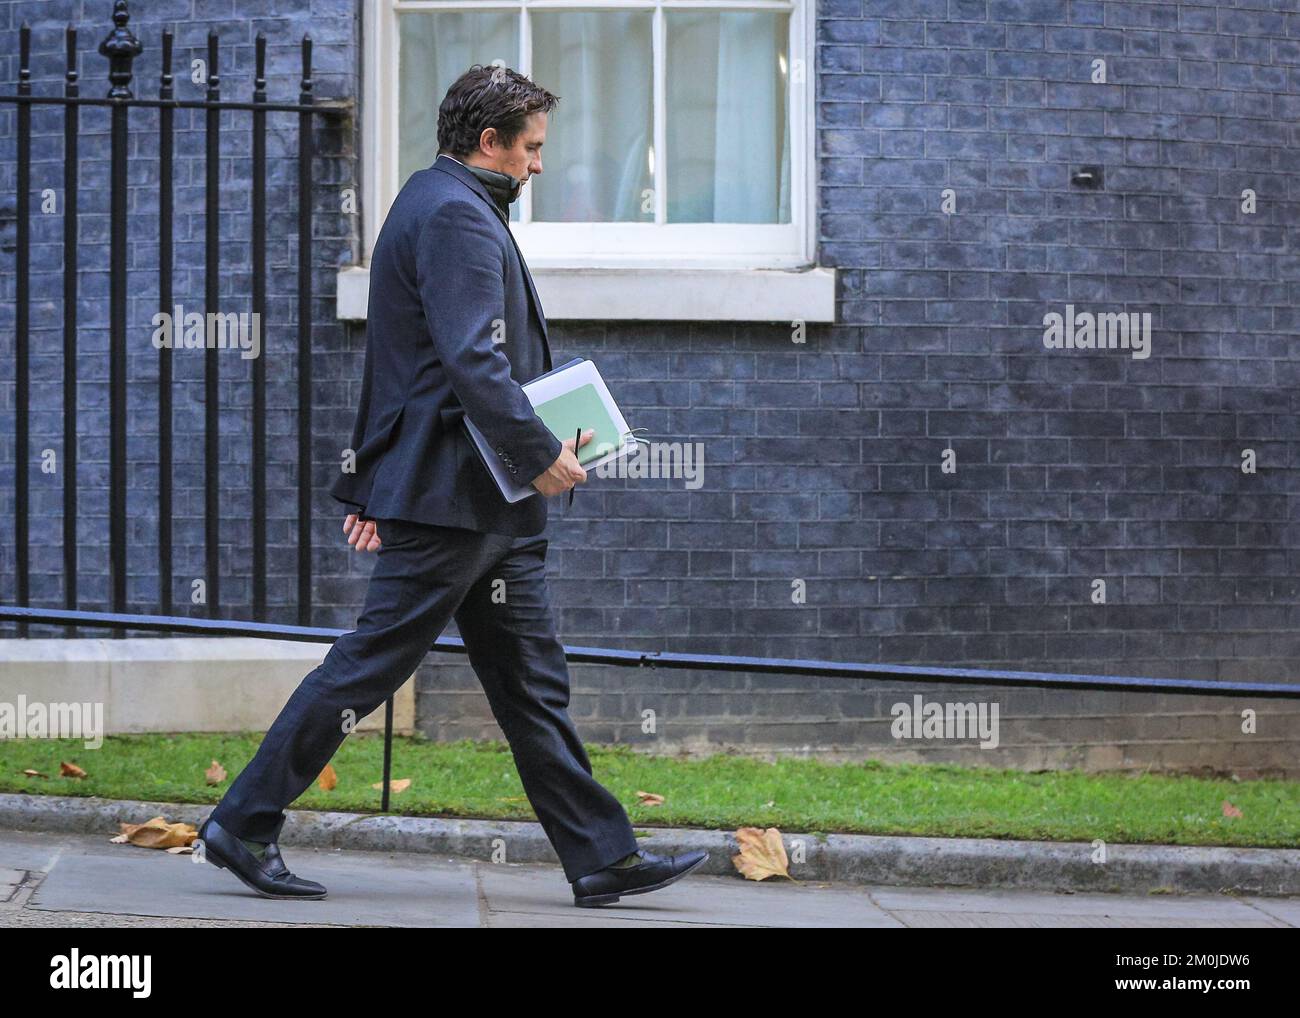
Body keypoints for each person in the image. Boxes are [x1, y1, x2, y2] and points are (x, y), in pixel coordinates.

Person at [196, 64, 707, 908]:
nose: (539, 164)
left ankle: (600, 856)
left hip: (483, 502)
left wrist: (364, 483)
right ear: (489, 143)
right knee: (367, 667)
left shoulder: (433, 200)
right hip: (456, 501)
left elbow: (400, 363)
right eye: (532, 148)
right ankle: (244, 821)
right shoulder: (459, 219)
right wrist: (537, 449)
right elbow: (473, 360)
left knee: (530, 682)